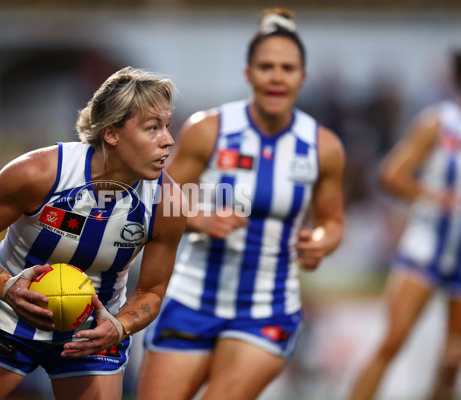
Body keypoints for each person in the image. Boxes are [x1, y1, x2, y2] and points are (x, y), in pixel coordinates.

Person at [0, 66, 187, 400]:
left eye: (167, 127)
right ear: (112, 134)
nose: (168, 140)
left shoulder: (167, 204)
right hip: (6, 321)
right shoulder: (38, 173)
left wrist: (119, 326)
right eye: (152, 128)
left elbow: (152, 292)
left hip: (91, 335)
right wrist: (6, 286)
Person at [136, 8, 345, 400]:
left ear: (303, 76)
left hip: (268, 308)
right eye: (266, 66)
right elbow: (158, 198)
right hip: (192, 298)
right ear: (248, 73)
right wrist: (198, 219)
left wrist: (320, 242)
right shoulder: (207, 129)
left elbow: (333, 221)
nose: (277, 76)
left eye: (287, 67)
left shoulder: (325, 146)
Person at [349, 51, 461, 400]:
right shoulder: (439, 122)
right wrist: (436, 196)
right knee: (393, 340)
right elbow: (390, 174)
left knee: (452, 358)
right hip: (427, 245)